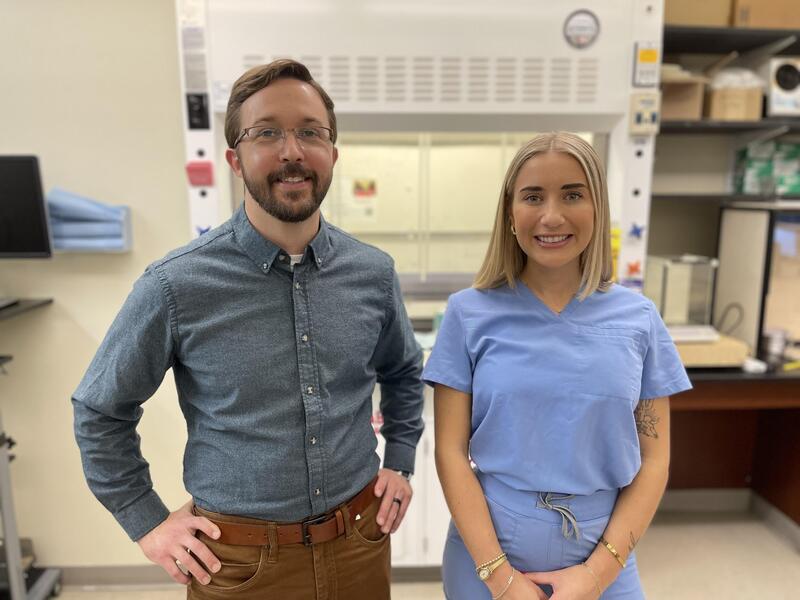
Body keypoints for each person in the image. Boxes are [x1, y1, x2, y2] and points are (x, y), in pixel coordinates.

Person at [72, 59, 424, 600]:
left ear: (332, 153)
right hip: (237, 565)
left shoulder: (373, 273)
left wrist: (400, 459)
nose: (292, 151)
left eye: (310, 132)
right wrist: (146, 521)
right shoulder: (176, 284)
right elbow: (100, 409)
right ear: (236, 159)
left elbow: (402, 371)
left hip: (360, 544)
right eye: (267, 133)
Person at [424, 132, 692, 599]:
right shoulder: (469, 314)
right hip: (488, 556)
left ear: (598, 208)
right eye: (533, 197)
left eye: (572, 194)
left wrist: (596, 575)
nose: (551, 215)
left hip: (604, 554)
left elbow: (655, 460)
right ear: (510, 212)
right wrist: (502, 580)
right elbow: (450, 453)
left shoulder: (639, 319)